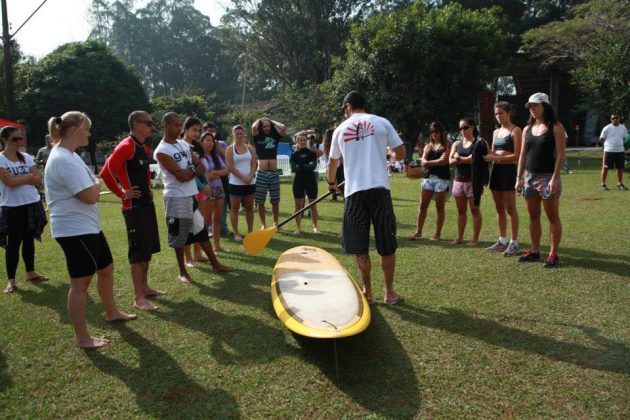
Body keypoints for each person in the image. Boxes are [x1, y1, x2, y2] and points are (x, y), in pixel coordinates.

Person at [45, 112, 136, 348]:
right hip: (73, 230)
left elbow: (90, 188)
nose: (89, 133)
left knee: (106, 268)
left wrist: (94, 184)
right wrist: (96, 184)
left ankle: (112, 312)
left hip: (88, 227)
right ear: (74, 129)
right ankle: (83, 338)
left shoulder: (70, 155)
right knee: (80, 284)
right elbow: (89, 195)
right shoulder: (63, 159)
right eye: (87, 128)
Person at [327, 91, 406, 305]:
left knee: (359, 246)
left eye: (344, 109)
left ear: (348, 106)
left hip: (354, 193)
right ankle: (389, 293)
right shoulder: (382, 122)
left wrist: (331, 183)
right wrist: (389, 153)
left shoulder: (340, 130)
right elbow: (401, 152)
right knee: (386, 243)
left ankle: (368, 291)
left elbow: (333, 163)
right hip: (379, 190)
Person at [153, 112, 231, 284]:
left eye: (180, 124)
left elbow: (200, 166)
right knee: (179, 236)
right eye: (176, 125)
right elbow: (180, 176)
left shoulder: (183, 145)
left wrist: (190, 171)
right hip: (176, 198)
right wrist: (192, 170)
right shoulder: (161, 151)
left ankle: (215, 263)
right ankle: (182, 272)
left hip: (190, 196)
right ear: (165, 126)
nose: (179, 128)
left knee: (201, 231)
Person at [100, 110, 162, 311]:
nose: (152, 127)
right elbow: (106, 172)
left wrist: (148, 186)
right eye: (148, 123)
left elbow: (144, 172)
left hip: (146, 204)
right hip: (133, 207)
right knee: (137, 252)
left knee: (148, 248)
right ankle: (138, 297)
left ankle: (145, 286)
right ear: (136, 124)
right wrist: (122, 193)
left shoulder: (142, 147)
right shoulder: (125, 146)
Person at [516, 92, 565, 268]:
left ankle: (553, 254)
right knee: (533, 216)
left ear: (545, 106)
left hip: (547, 177)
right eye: (530, 107)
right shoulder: (527, 129)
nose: (532, 109)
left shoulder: (556, 127)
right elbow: (522, 155)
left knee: (552, 217)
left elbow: (560, 155)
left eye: (535, 106)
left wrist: (554, 178)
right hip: (529, 177)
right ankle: (535, 251)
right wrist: (519, 177)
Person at [0, 126, 48, 294]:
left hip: (32, 203)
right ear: (4, 140)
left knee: (29, 239)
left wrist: (24, 178)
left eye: (20, 139)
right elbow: (10, 184)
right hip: (12, 206)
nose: (19, 142)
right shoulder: (1, 160)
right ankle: (11, 281)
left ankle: (30, 272)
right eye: (15, 139)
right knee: (14, 243)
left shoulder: (26, 157)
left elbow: (38, 179)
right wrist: (28, 176)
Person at [484, 102, 522, 256]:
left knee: (510, 209)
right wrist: (485, 149)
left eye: (501, 113)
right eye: (496, 114)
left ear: (509, 113)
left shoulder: (516, 130)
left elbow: (517, 157)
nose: (498, 116)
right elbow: (492, 152)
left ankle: (514, 243)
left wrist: (497, 156)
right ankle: (502, 240)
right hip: (496, 172)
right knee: (499, 209)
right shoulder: (495, 132)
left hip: (509, 172)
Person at [449, 118, 489, 246]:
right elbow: (450, 161)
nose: (462, 130)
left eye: (465, 127)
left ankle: (475, 239)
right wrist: (465, 159)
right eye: (460, 128)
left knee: (475, 210)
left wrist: (459, 158)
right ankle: (460, 237)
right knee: (461, 211)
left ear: (472, 127)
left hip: (473, 182)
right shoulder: (456, 144)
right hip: (458, 181)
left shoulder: (480, 143)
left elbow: (475, 160)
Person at [409, 121, 450, 241]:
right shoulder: (428, 146)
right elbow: (423, 162)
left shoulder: (447, 145)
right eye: (431, 132)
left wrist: (428, 163)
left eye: (436, 131)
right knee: (422, 206)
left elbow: (443, 161)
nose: (434, 134)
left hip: (442, 179)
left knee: (440, 207)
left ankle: (437, 234)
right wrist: (432, 162)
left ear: (441, 132)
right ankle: (418, 232)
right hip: (428, 178)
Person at [251, 117, 286, 228]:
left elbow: (283, 127)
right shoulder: (257, 137)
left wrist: (271, 120)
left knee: (275, 200)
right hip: (261, 173)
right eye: (264, 126)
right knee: (260, 201)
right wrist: (260, 119)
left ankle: (275, 222)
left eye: (268, 126)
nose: (266, 128)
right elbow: (253, 127)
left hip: (274, 173)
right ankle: (263, 224)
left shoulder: (275, 136)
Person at [226, 125, 257, 242]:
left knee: (249, 208)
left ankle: (250, 231)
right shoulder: (230, 149)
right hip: (235, 184)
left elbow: (254, 163)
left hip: (250, 183)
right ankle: (236, 233)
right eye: (237, 133)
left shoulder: (250, 148)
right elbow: (230, 166)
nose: (239, 135)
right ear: (233, 135)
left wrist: (250, 175)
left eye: (241, 133)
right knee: (234, 209)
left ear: (244, 134)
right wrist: (243, 177)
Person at [199, 132, 229, 251]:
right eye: (207, 140)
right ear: (201, 142)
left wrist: (214, 173)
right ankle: (206, 248)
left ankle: (217, 246)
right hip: (208, 191)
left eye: (212, 141)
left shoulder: (215, 156)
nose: (210, 143)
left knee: (217, 219)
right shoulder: (200, 158)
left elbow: (226, 171)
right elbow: (205, 176)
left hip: (219, 189)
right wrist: (216, 173)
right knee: (206, 221)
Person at [203, 121, 231, 236]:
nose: (212, 134)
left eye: (214, 131)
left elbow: (229, 159)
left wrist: (219, 148)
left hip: (221, 179)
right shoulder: (202, 152)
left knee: (222, 204)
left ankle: (223, 228)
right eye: (209, 131)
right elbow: (205, 173)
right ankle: (209, 230)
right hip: (208, 182)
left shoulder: (221, 144)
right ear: (204, 133)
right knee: (208, 208)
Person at [290, 131, 320, 234]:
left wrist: (301, 166)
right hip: (298, 181)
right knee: (298, 206)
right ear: (297, 142)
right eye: (300, 140)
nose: (303, 142)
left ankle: (315, 227)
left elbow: (313, 166)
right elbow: (293, 168)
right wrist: (306, 165)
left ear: (306, 141)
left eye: (304, 140)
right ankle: (298, 228)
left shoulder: (311, 153)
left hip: (310, 180)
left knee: (313, 205)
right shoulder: (294, 154)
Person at [599, 113, 628, 190]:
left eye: (616, 118)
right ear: (611, 119)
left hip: (620, 151)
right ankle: (603, 184)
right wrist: (607, 145)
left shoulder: (623, 128)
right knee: (605, 168)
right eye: (613, 118)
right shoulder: (607, 128)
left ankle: (619, 184)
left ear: (619, 119)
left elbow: (625, 138)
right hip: (609, 151)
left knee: (620, 168)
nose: (615, 119)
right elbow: (601, 139)